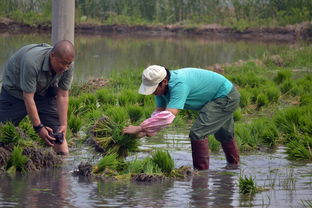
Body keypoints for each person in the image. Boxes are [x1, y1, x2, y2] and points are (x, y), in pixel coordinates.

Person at [123, 65, 240, 170]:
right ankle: (234, 167)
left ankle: (200, 175)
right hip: (215, 96)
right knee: (224, 134)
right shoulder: (160, 91)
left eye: (153, 88)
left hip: (225, 96)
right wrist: (144, 132)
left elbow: (168, 116)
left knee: (197, 133)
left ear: (164, 82)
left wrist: (139, 128)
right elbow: (159, 115)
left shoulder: (179, 85)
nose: (152, 92)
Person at [0, 40, 75, 155]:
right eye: (63, 63)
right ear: (52, 56)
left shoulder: (68, 66)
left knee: (58, 137)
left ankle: (63, 167)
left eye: (68, 64)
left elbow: (63, 95)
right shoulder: (32, 62)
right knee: (2, 133)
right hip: (15, 91)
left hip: (43, 90)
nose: (65, 67)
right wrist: (39, 127)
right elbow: (28, 97)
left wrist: (63, 124)